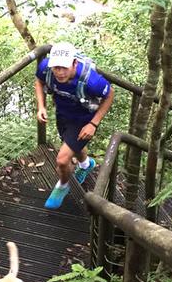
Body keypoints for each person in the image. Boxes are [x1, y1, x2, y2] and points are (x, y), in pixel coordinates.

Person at [35, 42, 114, 210]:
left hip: (83, 119)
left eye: (64, 67)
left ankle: (62, 186)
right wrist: (41, 106)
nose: (60, 72)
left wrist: (93, 123)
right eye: (56, 68)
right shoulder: (45, 68)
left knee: (62, 160)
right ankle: (86, 164)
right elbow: (39, 81)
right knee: (73, 145)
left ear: (74, 64)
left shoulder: (92, 81)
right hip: (63, 114)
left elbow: (110, 94)